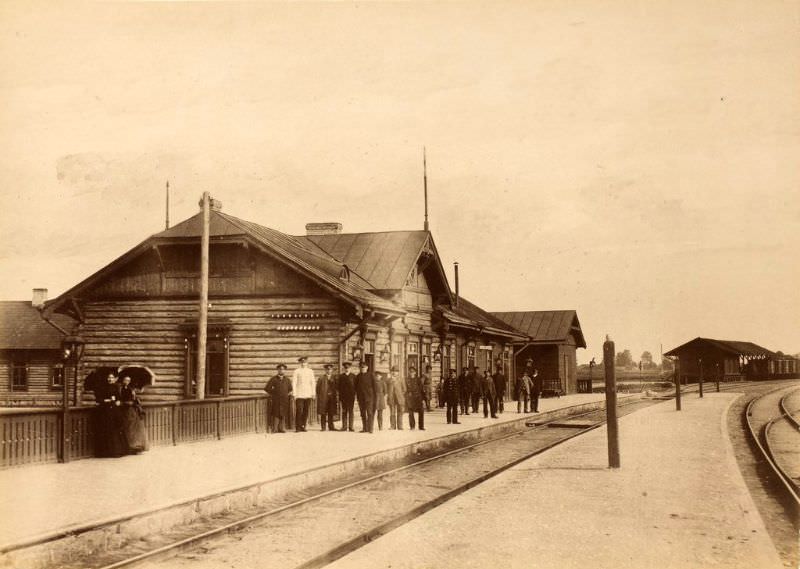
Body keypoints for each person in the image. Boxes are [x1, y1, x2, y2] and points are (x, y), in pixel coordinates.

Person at [94, 373, 125, 457]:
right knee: (106, 431)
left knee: (115, 430)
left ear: (114, 379)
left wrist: (119, 402)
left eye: (112, 378)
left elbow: (119, 398)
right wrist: (105, 400)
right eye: (108, 377)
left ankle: (116, 451)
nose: (110, 379)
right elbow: (98, 399)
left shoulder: (116, 387)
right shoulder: (102, 387)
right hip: (105, 412)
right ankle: (106, 452)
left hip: (114, 411)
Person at [119, 375, 147, 453]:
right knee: (126, 427)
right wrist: (124, 403)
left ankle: (135, 447)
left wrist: (134, 397)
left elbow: (133, 400)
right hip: (123, 409)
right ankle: (127, 447)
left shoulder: (131, 389)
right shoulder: (120, 389)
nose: (127, 382)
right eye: (125, 380)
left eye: (128, 380)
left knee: (133, 428)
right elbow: (120, 398)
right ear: (123, 380)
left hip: (131, 410)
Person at [264, 363, 292, 432]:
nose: (281, 371)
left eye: (283, 369)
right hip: (276, 400)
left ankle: (282, 428)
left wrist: (286, 395)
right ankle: (275, 429)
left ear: (285, 370)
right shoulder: (273, 379)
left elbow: (290, 389)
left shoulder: (287, 380)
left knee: (283, 413)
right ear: (277, 370)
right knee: (276, 413)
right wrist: (273, 393)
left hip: (284, 400)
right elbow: (267, 388)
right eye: (280, 369)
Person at [291, 356, 315, 432]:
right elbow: (294, 383)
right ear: (300, 363)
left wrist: (313, 393)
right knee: (299, 410)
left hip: (308, 393)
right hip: (299, 394)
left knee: (306, 411)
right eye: (302, 362)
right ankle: (297, 427)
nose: (303, 363)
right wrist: (294, 394)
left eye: (305, 362)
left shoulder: (310, 371)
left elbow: (313, 382)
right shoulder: (296, 371)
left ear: (307, 363)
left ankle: (303, 426)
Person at [355, 361, 377, 433]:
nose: (362, 369)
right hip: (361, 398)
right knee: (363, 413)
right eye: (361, 367)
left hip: (369, 398)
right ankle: (364, 428)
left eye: (364, 367)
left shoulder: (371, 375)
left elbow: (375, 387)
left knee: (370, 413)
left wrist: (374, 398)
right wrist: (358, 397)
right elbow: (356, 388)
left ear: (367, 368)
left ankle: (370, 429)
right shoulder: (358, 376)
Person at [316, 364, 338, 431]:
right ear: (325, 370)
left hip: (332, 398)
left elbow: (337, 387)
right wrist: (320, 396)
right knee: (323, 412)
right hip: (324, 398)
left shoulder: (335, 378)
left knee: (331, 412)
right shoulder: (321, 378)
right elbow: (317, 389)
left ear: (332, 370)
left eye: (330, 369)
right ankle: (323, 427)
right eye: (327, 369)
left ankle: (331, 426)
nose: (329, 371)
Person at [337, 362, 357, 432]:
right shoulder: (341, 376)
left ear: (350, 368)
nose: (347, 369)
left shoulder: (353, 376)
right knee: (344, 411)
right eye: (345, 368)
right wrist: (340, 396)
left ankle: (351, 427)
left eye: (348, 368)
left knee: (351, 411)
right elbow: (338, 387)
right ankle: (344, 426)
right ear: (344, 368)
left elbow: (356, 387)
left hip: (351, 397)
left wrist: (355, 395)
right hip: (343, 397)